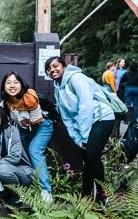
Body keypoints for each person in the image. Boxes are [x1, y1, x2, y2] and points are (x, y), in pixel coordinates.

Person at [45, 56, 115, 205]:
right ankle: (86, 195)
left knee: (90, 154)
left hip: (102, 118)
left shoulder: (77, 79)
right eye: (49, 69)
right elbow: (67, 118)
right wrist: (78, 139)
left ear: (64, 66)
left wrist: (84, 137)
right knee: (88, 158)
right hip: (86, 125)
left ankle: (102, 194)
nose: (52, 70)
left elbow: (86, 107)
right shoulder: (58, 89)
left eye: (55, 66)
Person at [0, 71, 53, 202]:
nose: (12, 86)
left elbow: (35, 123)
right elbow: (0, 119)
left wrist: (24, 139)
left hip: (41, 125)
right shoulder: (6, 102)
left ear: (21, 84)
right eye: (8, 83)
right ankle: (27, 185)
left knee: (34, 150)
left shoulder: (29, 98)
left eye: (15, 82)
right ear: (4, 87)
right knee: (18, 152)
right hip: (24, 127)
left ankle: (46, 191)